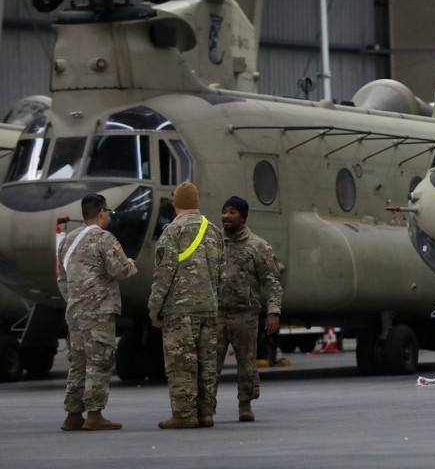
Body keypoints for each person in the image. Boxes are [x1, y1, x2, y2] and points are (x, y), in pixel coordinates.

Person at [56, 194, 138, 431]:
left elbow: (62, 280)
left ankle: (73, 415)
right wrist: (131, 264)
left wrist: (76, 300)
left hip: (75, 313)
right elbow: (120, 269)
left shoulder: (68, 240)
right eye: (108, 212)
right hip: (100, 313)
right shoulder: (103, 238)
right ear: (102, 212)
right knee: (99, 362)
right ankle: (94, 415)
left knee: (78, 363)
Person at [148, 181, 224, 429]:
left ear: (175, 203)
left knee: (181, 363)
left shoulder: (172, 231)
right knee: (207, 363)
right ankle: (206, 413)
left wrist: (154, 306)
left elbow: (164, 273)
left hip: (180, 310)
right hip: (209, 308)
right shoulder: (212, 230)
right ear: (197, 203)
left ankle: (184, 415)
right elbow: (222, 271)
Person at [214, 196, 283, 422]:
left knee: (246, 364)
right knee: (208, 365)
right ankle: (206, 406)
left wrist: (273, 312)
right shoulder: (212, 243)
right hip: (216, 315)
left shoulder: (258, 247)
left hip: (245, 315)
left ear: (242, 217)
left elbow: (271, 280)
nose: (226, 216)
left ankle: (245, 404)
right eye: (224, 211)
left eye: (232, 212)